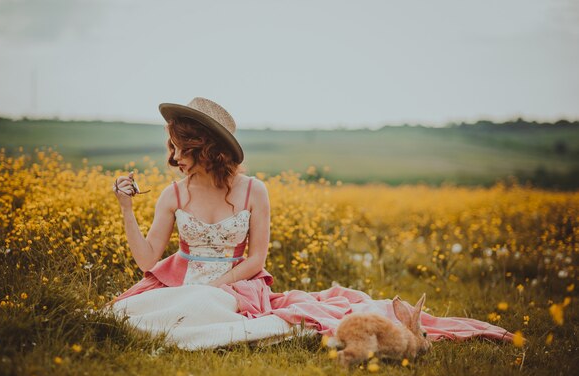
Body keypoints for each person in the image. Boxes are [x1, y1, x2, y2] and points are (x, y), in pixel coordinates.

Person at [106, 97, 515, 351]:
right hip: (180, 281)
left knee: (198, 306)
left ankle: (200, 315)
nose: (174, 158)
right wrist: (127, 209)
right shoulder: (171, 195)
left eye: (182, 148)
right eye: (172, 148)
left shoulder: (254, 191)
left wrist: (215, 286)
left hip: (236, 285)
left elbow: (257, 258)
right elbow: (148, 260)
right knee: (131, 313)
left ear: (206, 148)